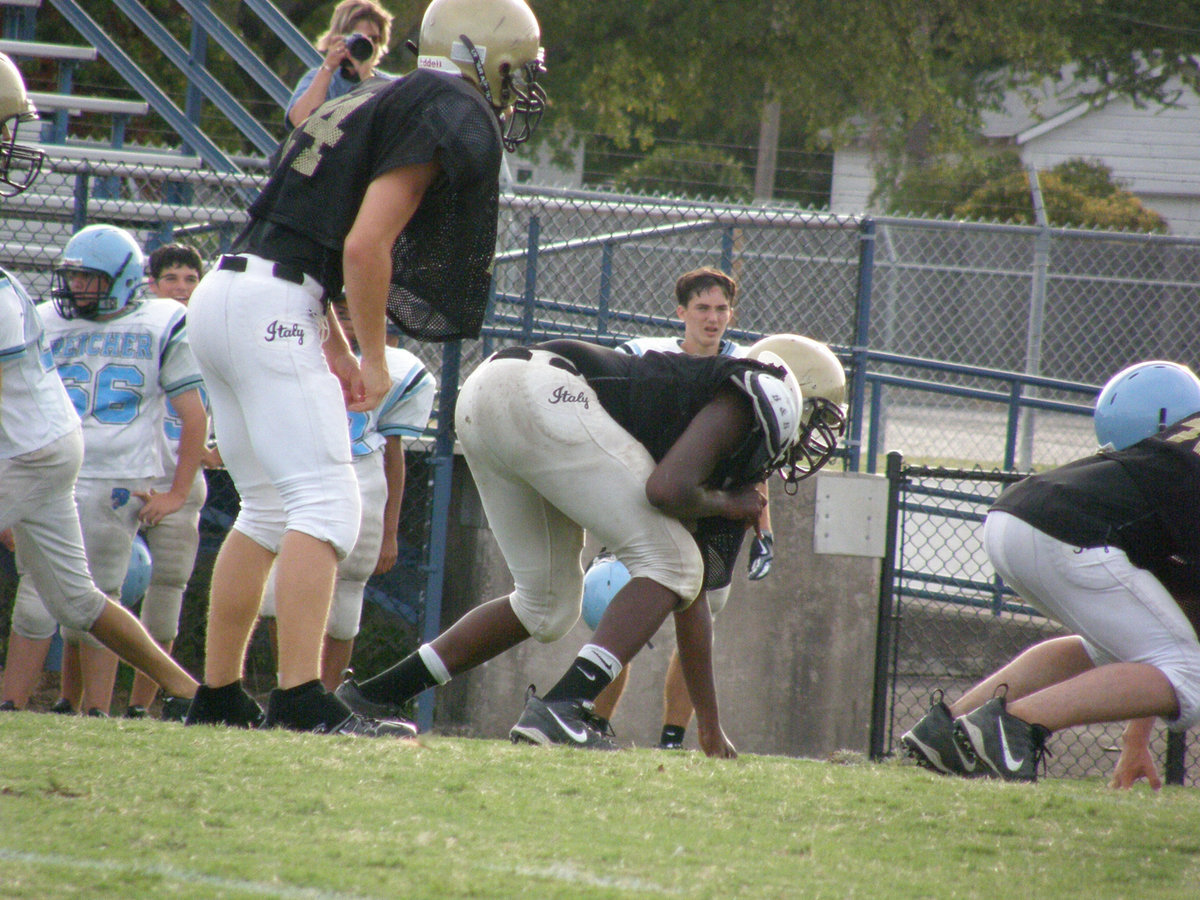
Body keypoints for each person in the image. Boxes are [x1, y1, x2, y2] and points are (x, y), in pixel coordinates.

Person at [182, 0, 545, 736]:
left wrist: (342, 352)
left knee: (268, 509)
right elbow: (362, 246)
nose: (521, 85)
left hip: (228, 294)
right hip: (277, 304)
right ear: (485, 55)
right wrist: (377, 358)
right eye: (518, 67)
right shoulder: (443, 105)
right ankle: (300, 700)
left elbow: (310, 233)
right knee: (328, 505)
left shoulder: (382, 93)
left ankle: (219, 696)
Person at [335, 334, 848, 756]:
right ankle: (564, 707)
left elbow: (692, 600)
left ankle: (376, 696)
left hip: (487, 393)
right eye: (821, 417)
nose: (817, 437)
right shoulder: (763, 392)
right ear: (797, 390)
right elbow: (666, 493)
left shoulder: (733, 429)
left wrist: (711, 729)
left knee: (545, 606)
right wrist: (728, 505)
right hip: (546, 393)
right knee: (669, 561)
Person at [0, 53, 199, 715]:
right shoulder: (44, 310)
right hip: (55, 454)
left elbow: (191, 410)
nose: (76, 287)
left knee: (83, 598)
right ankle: (193, 696)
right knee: (64, 600)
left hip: (80, 464)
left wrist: (176, 486)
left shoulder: (158, 321)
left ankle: (89, 708)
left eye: (89, 277)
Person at [902, 360, 1200, 786]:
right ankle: (1012, 726)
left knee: (1104, 650)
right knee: (1191, 675)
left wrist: (1135, 742)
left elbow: (1159, 637)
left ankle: (946, 733)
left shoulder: (1172, 457)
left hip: (1017, 514)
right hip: (1073, 534)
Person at [588, 267, 777, 750]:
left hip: (716, 514)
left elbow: (758, 463)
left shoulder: (750, 366)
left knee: (699, 624)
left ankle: (674, 736)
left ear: (731, 314)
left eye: (720, 309)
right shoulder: (644, 355)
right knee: (616, 609)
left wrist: (764, 529)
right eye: (702, 309)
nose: (712, 319)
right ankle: (590, 722)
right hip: (645, 502)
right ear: (681, 313)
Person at [259, 299, 436, 693]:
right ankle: (289, 688)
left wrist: (390, 531)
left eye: (354, 311)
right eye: (337, 311)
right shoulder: (295, 349)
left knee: (346, 596)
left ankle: (328, 693)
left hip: (363, 479)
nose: (345, 320)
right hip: (302, 472)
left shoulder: (396, 367)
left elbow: (394, 455)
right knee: (276, 595)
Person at [122, 243, 210, 718]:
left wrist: (217, 449)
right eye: (171, 277)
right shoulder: (131, 332)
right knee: (97, 588)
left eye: (190, 278)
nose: (180, 287)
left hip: (184, 477)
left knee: (167, 594)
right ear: (150, 283)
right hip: (130, 472)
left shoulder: (212, 336)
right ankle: (79, 700)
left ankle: (141, 706)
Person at [285, 0, 395, 128]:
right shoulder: (321, 79)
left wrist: (367, 76)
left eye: (374, 39)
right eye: (360, 39)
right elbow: (299, 121)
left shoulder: (392, 85)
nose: (367, 45)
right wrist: (328, 68)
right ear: (340, 38)